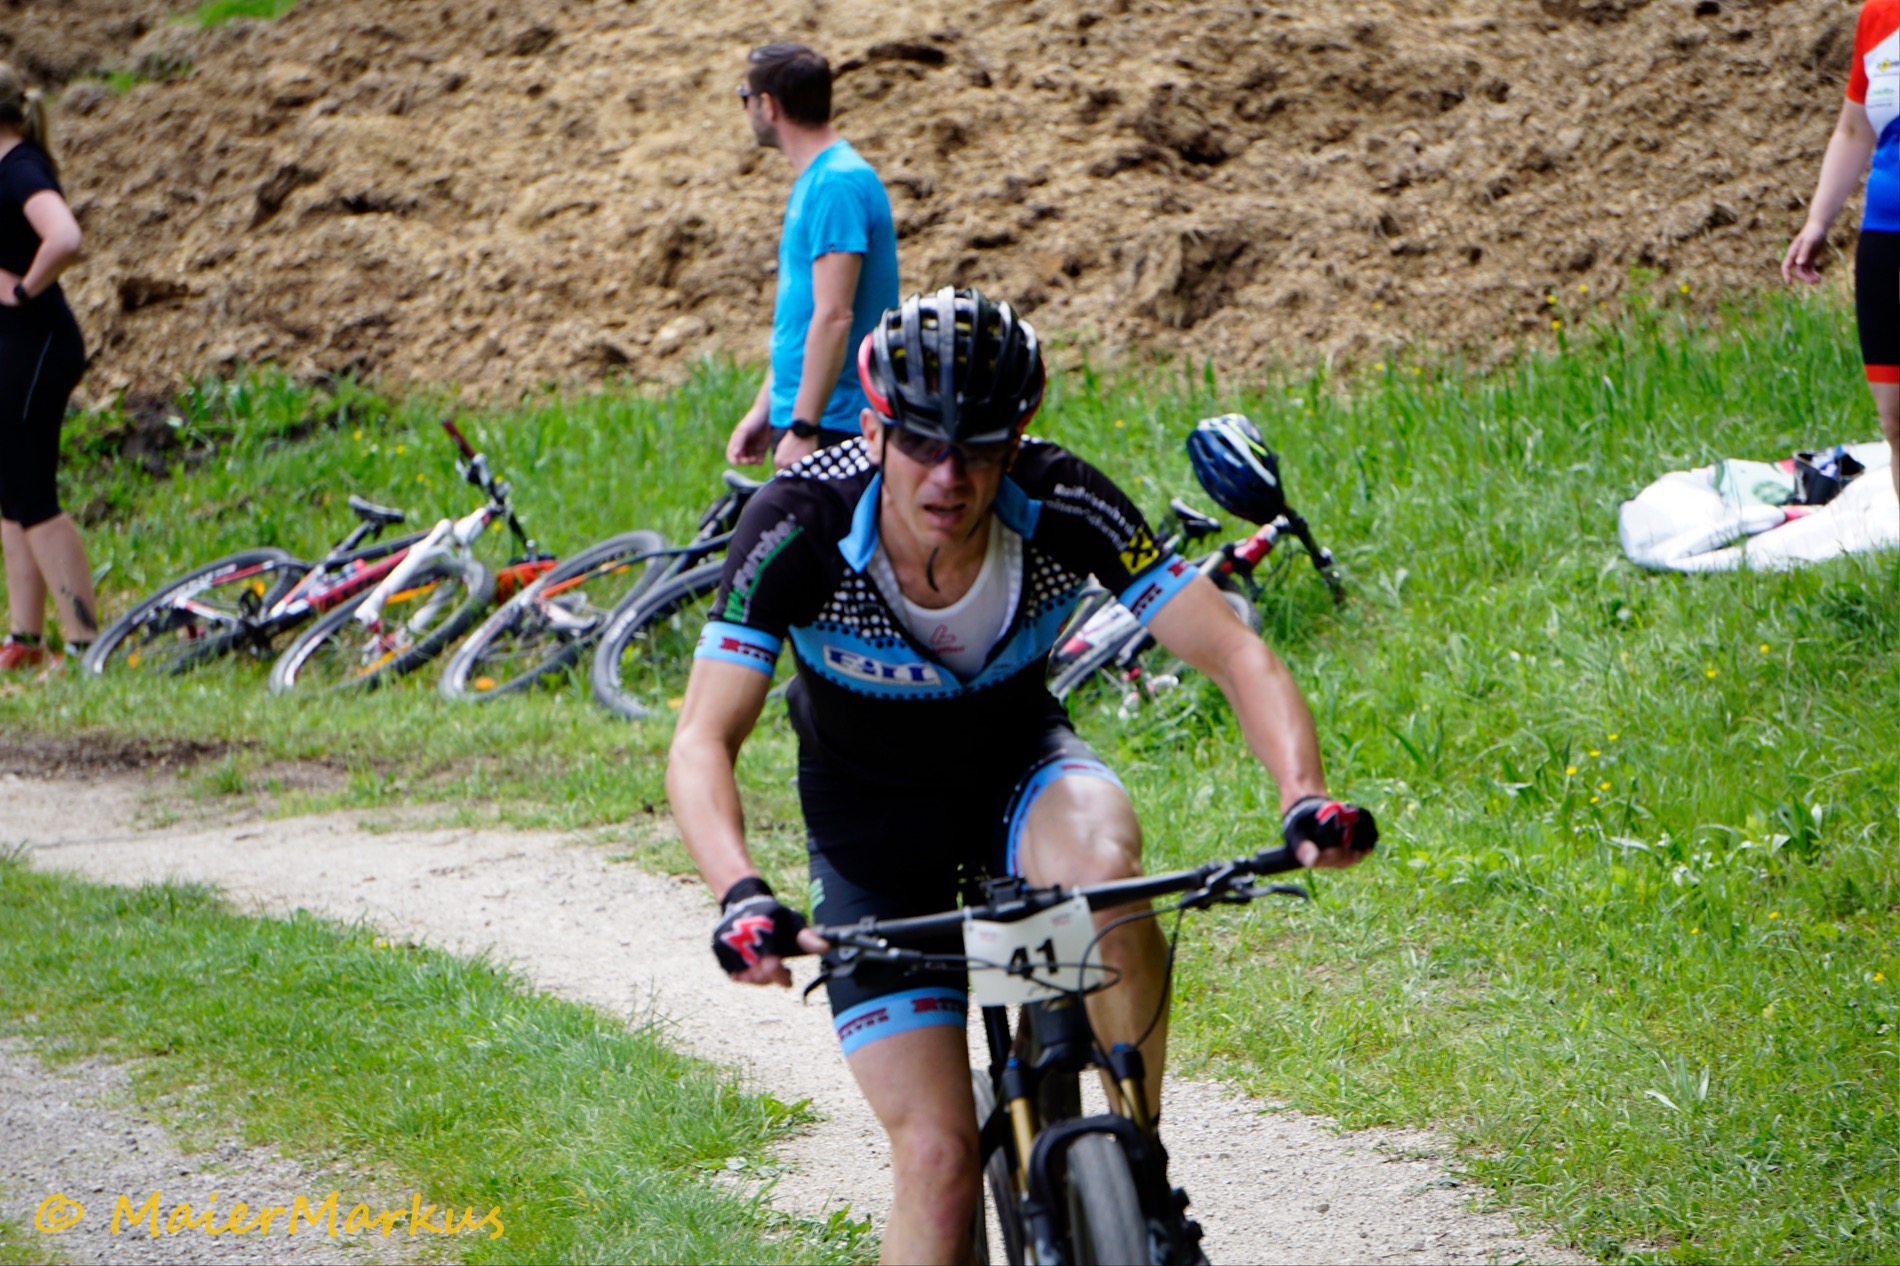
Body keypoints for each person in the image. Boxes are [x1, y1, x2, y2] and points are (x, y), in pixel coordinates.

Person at [667, 287, 1377, 1264]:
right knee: (937, 1161)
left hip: (1017, 776)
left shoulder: (1060, 499)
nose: (948, 475)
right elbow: (703, 738)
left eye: (980, 445)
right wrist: (741, 894)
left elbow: (1234, 654)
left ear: (1018, 438)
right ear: (873, 430)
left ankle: (1137, 1159)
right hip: (873, 832)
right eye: (922, 441)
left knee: (1104, 873)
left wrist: (1305, 797)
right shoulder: (799, 523)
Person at [723, 43, 900, 473]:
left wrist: (804, 428)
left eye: (745, 96)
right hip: (813, 416)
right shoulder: (821, 179)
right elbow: (803, 317)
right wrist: (766, 408)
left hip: (835, 423)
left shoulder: (836, 185)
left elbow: (835, 316)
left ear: (768, 106)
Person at [1782, 0, 1899, 500]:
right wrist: (1817, 222)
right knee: (1895, 417)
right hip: (1886, 235)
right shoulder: (1879, 17)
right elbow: (1854, 130)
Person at [0, 64, 96, 674]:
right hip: (16, 348)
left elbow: (64, 237)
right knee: (11, 496)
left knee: (33, 495)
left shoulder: (21, 169)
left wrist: (23, 291)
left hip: (37, 345)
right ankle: (25, 640)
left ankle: (85, 644)